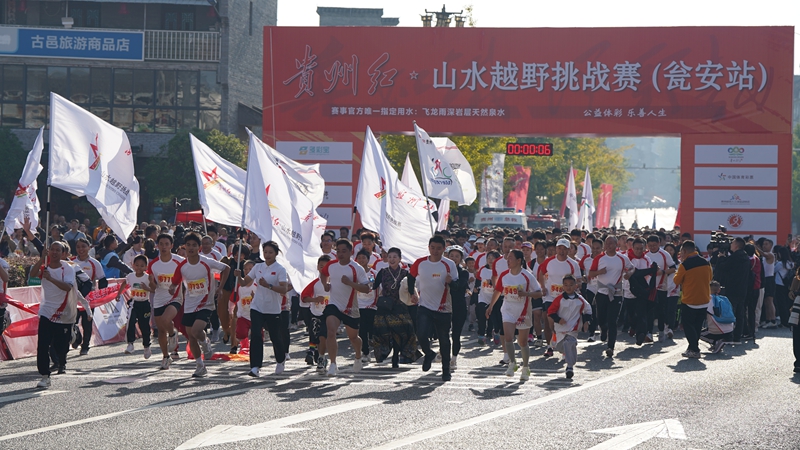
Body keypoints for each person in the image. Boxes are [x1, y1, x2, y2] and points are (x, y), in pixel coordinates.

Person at [169, 232, 230, 378]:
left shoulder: (207, 262)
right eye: (188, 245)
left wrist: (220, 288)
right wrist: (172, 288)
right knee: (191, 337)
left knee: (196, 331)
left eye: (194, 245)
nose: (191, 248)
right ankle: (200, 365)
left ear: (199, 247)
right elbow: (175, 282)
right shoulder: (182, 266)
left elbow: (226, 268)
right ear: (184, 247)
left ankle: (205, 342)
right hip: (190, 303)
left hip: (206, 303)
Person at [32, 242, 92, 388]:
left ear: (63, 253)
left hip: (64, 312)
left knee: (60, 347)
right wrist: (41, 259)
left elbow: (67, 287)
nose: (54, 252)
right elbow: (32, 275)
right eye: (52, 249)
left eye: (58, 250)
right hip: (46, 310)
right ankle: (45, 375)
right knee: (43, 344)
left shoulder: (68, 268)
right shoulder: (44, 266)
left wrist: (51, 278)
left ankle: (73, 334)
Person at [409, 235, 459, 382]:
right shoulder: (420, 263)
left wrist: (451, 282)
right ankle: (428, 353)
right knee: (421, 334)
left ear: (444, 249)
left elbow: (456, 287)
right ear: (428, 248)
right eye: (433, 248)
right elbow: (411, 277)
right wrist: (412, 292)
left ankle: (446, 370)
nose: (435, 251)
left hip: (443, 308)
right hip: (424, 305)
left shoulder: (449, 264)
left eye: (439, 248)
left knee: (444, 339)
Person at [487, 249, 542, 381]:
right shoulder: (504, 275)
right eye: (507, 258)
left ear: (519, 260)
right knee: (508, 337)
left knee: (522, 342)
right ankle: (512, 363)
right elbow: (498, 291)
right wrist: (491, 306)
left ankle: (526, 367)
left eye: (511, 258)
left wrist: (527, 294)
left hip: (523, 310)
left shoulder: (527, 276)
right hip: (508, 309)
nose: (508, 260)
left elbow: (539, 292)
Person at [236, 241, 288, 377]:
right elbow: (244, 282)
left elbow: (284, 288)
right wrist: (238, 276)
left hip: (273, 309)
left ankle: (281, 360)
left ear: (276, 254)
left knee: (275, 337)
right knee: (256, 335)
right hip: (257, 306)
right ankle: (255, 367)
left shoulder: (280, 269)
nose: (268, 255)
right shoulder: (258, 267)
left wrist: (269, 285)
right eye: (265, 252)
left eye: (271, 252)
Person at [320, 238, 370, 377]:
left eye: (344, 251)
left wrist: (350, 283)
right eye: (338, 251)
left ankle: (358, 356)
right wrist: (325, 285)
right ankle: (333, 363)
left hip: (350, 308)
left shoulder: (356, 268)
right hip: (334, 305)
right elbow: (323, 273)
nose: (341, 254)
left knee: (353, 338)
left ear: (350, 252)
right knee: (331, 331)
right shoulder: (331, 265)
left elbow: (366, 288)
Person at [588, 236, 632, 358]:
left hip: (616, 293)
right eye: (607, 244)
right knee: (601, 318)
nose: (609, 246)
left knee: (613, 320)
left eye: (611, 243)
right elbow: (590, 274)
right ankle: (603, 329)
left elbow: (632, 268)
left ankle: (610, 347)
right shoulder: (599, 258)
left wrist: (628, 273)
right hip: (602, 292)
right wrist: (599, 272)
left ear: (616, 244)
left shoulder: (622, 258)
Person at [537, 238, 580, 358]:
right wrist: (543, 287)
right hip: (550, 296)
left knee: (563, 323)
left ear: (568, 250)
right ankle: (549, 346)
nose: (561, 251)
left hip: (565, 297)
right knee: (548, 320)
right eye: (559, 248)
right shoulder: (549, 261)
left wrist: (574, 287)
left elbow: (577, 279)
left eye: (564, 249)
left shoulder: (573, 264)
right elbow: (541, 272)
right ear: (556, 249)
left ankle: (563, 347)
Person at [147, 233, 184, 369]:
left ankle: (173, 334)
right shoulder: (153, 264)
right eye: (161, 244)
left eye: (166, 244)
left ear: (171, 246)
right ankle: (166, 357)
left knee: (165, 319)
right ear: (157, 246)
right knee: (161, 331)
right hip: (159, 298)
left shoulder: (179, 261)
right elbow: (153, 287)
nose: (163, 247)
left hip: (175, 297)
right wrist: (151, 282)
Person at [673, 240, 713, 358]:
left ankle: (694, 349)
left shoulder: (684, 265)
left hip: (690, 300)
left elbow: (676, 281)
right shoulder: (706, 262)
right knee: (697, 326)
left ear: (684, 251)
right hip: (704, 298)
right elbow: (710, 277)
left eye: (681, 252)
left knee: (688, 326)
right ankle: (692, 348)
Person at [548, 274, 592, 379]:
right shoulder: (559, 299)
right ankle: (555, 343)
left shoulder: (580, 299)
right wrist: (558, 320)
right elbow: (550, 312)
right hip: (560, 330)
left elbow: (588, 310)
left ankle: (569, 367)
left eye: (571, 285)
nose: (568, 287)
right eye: (566, 285)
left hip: (572, 329)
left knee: (570, 343)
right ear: (562, 286)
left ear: (576, 286)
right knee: (562, 347)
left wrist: (587, 322)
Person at [71, 238, 109, 355]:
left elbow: (103, 281)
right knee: (72, 322)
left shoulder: (94, 263)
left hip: (89, 298)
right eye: (78, 247)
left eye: (83, 246)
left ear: (89, 248)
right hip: (73, 297)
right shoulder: (71, 262)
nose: (81, 249)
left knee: (87, 323)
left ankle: (85, 346)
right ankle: (77, 338)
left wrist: (101, 296)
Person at [713, 237, 751, 343]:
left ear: (736, 245)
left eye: (732, 243)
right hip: (743, 289)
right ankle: (737, 337)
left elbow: (724, 267)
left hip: (733, 288)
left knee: (730, 313)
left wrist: (720, 258)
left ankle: (729, 336)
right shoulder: (745, 257)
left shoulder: (735, 257)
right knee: (740, 313)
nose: (730, 245)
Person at [117, 255, 154, 359]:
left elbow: (154, 289)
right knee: (130, 321)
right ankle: (130, 344)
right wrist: (118, 294)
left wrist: (147, 287)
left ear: (146, 267)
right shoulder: (130, 276)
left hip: (145, 304)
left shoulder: (147, 277)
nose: (139, 267)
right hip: (134, 303)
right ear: (133, 265)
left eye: (142, 266)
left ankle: (146, 346)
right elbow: (124, 283)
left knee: (144, 326)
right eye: (136, 265)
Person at [301, 256, 332, 373]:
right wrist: (315, 300)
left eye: (327, 267)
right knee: (317, 337)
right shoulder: (315, 283)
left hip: (330, 315)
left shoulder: (335, 282)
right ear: (317, 268)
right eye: (321, 266)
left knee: (324, 336)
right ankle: (319, 355)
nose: (324, 269)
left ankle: (321, 358)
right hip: (316, 313)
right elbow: (304, 297)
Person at [446, 245, 470, 371]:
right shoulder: (443, 270)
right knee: (443, 333)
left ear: (461, 259)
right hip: (444, 305)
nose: (454, 258)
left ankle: (454, 358)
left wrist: (450, 282)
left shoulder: (464, 272)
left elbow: (458, 286)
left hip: (459, 306)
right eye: (451, 256)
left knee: (456, 334)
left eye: (457, 256)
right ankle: (443, 351)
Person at [355, 249, 377, 364]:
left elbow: (378, 289)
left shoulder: (374, 273)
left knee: (371, 329)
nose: (361, 260)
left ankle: (372, 346)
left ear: (368, 259)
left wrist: (376, 302)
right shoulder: (354, 273)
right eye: (359, 258)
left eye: (364, 258)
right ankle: (366, 352)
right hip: (359, 304)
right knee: (362, 329)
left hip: (371, 305)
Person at [700, 281, 734, 354]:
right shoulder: (725, 299)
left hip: (717, 330)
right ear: (719, 290)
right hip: (730, 329)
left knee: (697, 333)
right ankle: (719, 342)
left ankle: (715, 342)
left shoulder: (708, 299)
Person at [475, 250, 499, 345]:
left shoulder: (499, 271)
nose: (490, 260)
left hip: (495, 298)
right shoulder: (482, 269)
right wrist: (476, 288)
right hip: (483, 297)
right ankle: (481, 335)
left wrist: (492, 283)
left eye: (493, 258)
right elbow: (478, 280)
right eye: (488, 258)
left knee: (494, 317)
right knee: (482, 316)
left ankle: (493, 332)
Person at [787, 267, 800, 373]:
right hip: (797, 311)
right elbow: (790, 294)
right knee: (797, 336)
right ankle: (798, 362)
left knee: (797, 337)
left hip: (797, 311)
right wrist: (793, 294)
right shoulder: (796, 279)